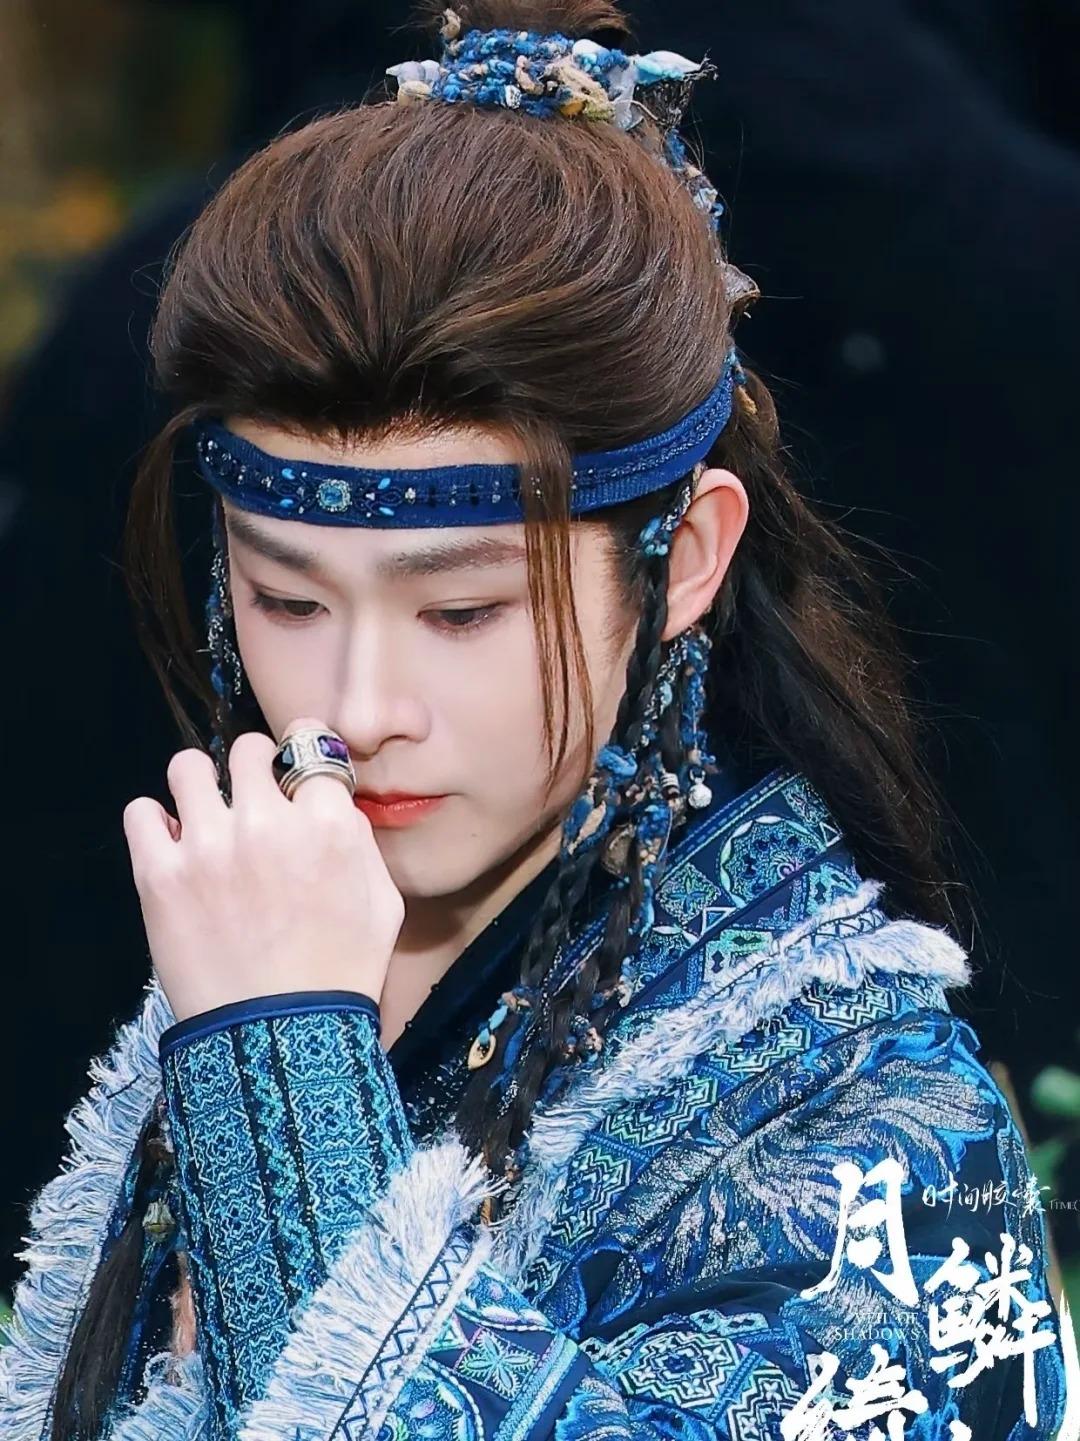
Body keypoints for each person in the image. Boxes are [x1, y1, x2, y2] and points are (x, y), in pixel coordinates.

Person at [0, 1, 1069, 1437]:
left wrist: (282, 1081)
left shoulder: (883, 1148)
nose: (355, 711)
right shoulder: (247, 954)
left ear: (685, 560)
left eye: (462, 612)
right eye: (287, 599)